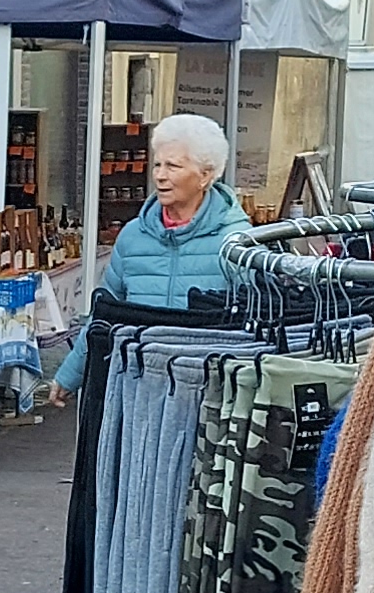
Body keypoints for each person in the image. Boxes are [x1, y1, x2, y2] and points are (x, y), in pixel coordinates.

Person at [57, 113, 241, 393]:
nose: (160, 175)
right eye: (158, 164)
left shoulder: (236, 242)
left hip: (205, 390)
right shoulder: (133, 237)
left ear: (205, 175)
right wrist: (70, 374)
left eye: (173, 166)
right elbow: (105, 310)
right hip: (135, 386)